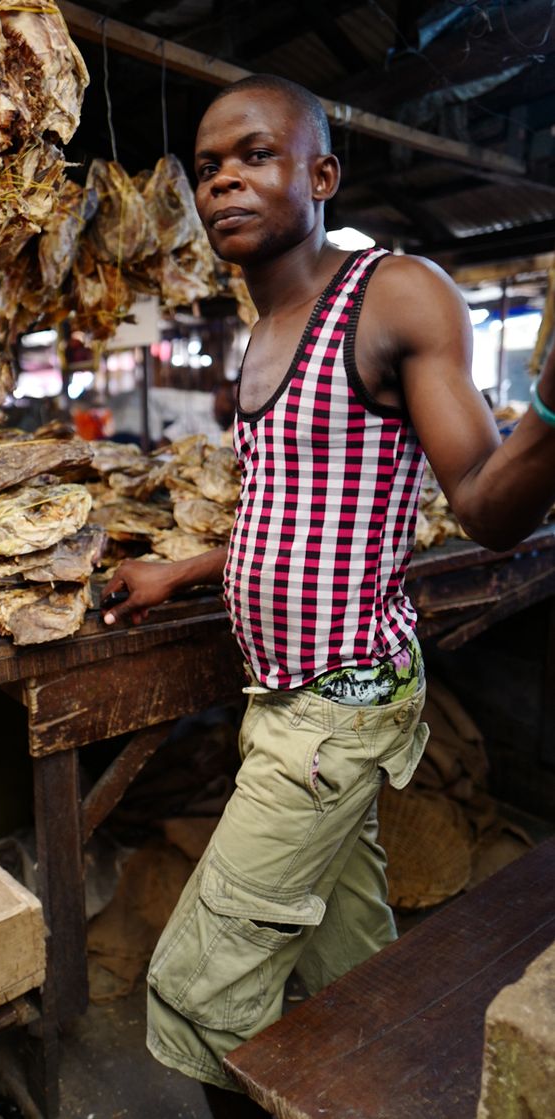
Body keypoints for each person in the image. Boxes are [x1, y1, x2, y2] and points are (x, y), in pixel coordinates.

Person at [101, 74, 555, 1117]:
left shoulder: (392, 294)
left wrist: (547, 410)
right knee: (350, 960)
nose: (222, 181)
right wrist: (181, 567)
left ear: (319, 176)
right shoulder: (262, 333)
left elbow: (487, 508)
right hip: (280, 701)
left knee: (195, 989)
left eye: (254, 156)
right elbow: (285, 505)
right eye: (207, 166)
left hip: (338, 704)